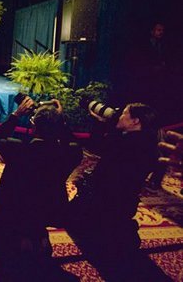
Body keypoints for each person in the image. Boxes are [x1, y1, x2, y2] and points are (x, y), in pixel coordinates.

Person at [66, 103, 171, 281]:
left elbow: (95, 145)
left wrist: (99, 124)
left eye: (124, 114)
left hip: (103, 201)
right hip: (123, 202)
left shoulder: (124, 142)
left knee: (74, 223)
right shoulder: (148, 142)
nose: (119, 116)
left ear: (135, 121)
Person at [0, 97, 81, 281]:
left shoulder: (18, 149)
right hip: (47, 210)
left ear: (34, 125)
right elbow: (75, 143)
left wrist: (16, 114)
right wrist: (61, 120)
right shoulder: (68, 153)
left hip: (11, 211)